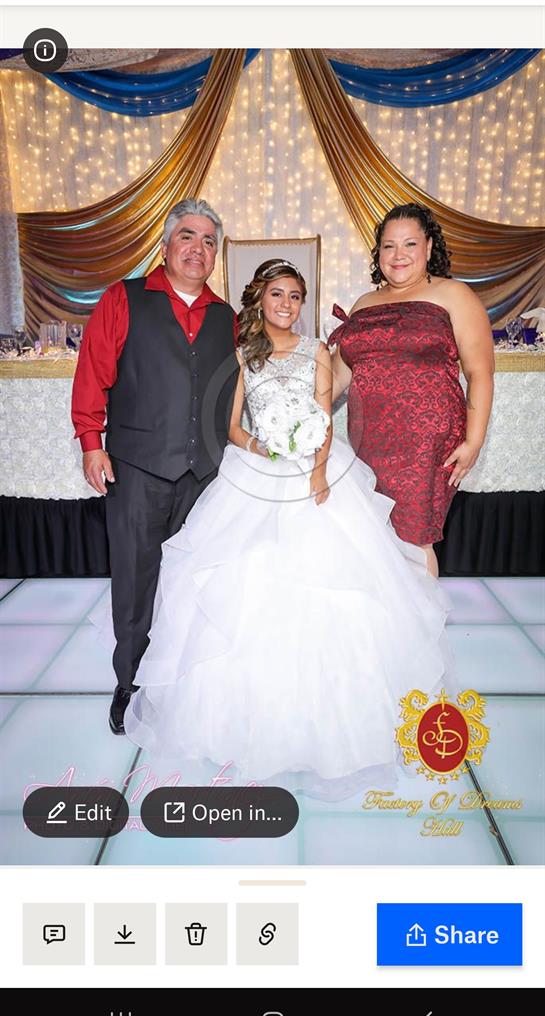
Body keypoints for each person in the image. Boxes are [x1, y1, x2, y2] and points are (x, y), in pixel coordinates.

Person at [103, 257, 453, 801]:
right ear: (260, 302)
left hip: (314, 471)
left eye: (295, 297)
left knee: (329, 584)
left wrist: (315, 471)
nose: (287, 306)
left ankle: (331, 720)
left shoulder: (319, 351)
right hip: (256, 474)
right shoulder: (244, 356)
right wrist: (261, 448)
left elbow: (324, 413)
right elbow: (233, 426)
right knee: (245, 583)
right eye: (278, 296)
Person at [71, 198, 239, 734]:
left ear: (216, 255)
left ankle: (184, 684)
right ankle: (131, 684)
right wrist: (90, 442)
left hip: (205, 475)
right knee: (136, 580)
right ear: (166, 244)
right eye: (188, 237)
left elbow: (237, 395)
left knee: (193, 585)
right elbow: (93, 371)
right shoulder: (124, 298)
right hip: (136, 466)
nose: (198, 248)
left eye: (209, 241)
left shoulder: (226, 317)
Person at [330, 203, 494, 576]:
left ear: (429, 248)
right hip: (369, 440)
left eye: (409, 244)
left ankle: (422, 630)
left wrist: (474, 441)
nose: (398, 255)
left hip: (426, 443)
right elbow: (340, 375)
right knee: (375, 533)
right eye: (389, 246)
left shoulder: (454, 295)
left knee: (414, 537)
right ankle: (389, 625)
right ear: (379, 253)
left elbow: (480, 372)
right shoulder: (364, 303)